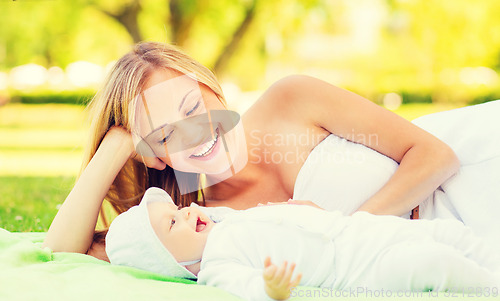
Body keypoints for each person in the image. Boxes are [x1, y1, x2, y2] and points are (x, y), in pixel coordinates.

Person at [42, 41, 500, 261]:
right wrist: (118, 143)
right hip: (454, 244)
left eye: (192, 106)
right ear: (155, 157)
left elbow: (435, 156)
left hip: (475, 171)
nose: (197, 134)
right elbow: (63, 250)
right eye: (166, 135)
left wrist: (340, 227)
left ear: (210, 86)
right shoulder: (198, 225)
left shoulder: (290, 101)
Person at [105, 187, 500, 301]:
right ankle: (489, 287)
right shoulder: (216, 266)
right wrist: (271, 287)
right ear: (169, 262)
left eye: (178, 206)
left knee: (447, 233)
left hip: (363, 231)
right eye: (173, 221)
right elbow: (244, 288)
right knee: (431, 262)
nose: (187, 210)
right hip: (359, 269)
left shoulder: (228, 221)